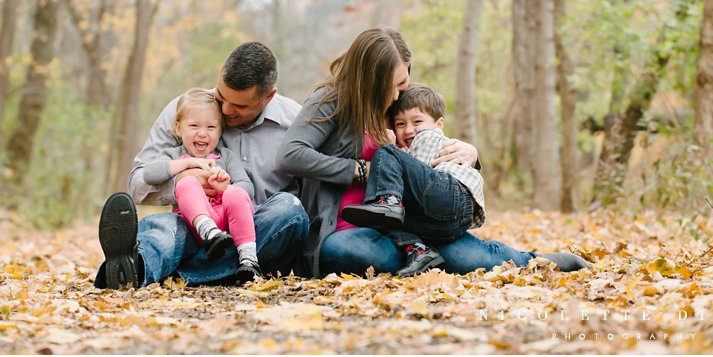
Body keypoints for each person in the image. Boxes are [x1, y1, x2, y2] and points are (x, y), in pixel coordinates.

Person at [278, 27, 589, 279]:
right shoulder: (331, 100)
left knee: (469, 259)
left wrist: (469, 153)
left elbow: (426, 137)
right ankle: (423, 256)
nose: (398, 94)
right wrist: (360, 170)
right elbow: (291, 154)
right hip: (349, 229)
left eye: (403, 83)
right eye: (393, 85)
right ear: (373, 79)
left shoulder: (392, 105)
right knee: (342, 250)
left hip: (410, 222)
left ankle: (537, 261)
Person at [94, 42, 309, 289]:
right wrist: (183, 181)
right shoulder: (187, 111)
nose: (225, 110)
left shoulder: (296, 122)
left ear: (268, 96)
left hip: (258, 233)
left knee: (290, 210)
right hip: (194, 226)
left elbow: (314, 194)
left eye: (240, 106)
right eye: (221, 97)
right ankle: (132, 269)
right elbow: (137, 184)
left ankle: (178, 272)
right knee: (165, 228)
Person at [341, 83, 486, 276]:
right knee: (387, 220)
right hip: (443, 222)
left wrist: (392, 153)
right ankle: (419, 250)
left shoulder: (429, 137)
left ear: (439, 124)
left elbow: (422, 171)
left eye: (417, 121)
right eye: (400, 124)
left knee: (386, 153)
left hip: (450, 196)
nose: (409, 130)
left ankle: (389, 201)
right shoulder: (412, 146)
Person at [147, 88, 261, 281]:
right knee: (187, 182)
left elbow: (247, 187)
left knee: (236, 194)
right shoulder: (174, 155)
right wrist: (187, 164)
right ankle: (208, 231)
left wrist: (224, 187)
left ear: (220, 131)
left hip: (228, 224)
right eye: (193, 125)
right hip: (192, 225)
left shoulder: (225, 156)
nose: (202, 133)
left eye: (211, 127)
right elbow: (149, 174)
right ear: (178, 128)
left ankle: (248, 259)